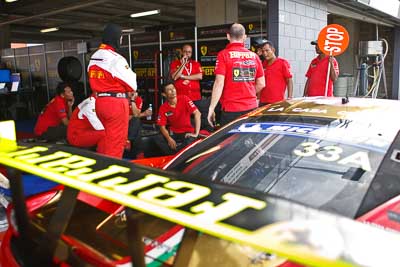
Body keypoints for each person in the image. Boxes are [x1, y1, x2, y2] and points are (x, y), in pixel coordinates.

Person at [88, 23, 137, 158]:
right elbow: (132, 84)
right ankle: (111, 175)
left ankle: (100, 169)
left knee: (106, 139)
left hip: (100, 102)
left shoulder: (94, 57)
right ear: (116, 38)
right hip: (115, 104)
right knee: (116, 143)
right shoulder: (116, 59)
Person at [207, 23, 265, 127]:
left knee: (229, 142)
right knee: (249, 140)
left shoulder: (223, 55)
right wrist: (248, 94)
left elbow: (219, 83)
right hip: (251, 107)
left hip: (231, 109)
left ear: (228, 36)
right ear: (244, 37)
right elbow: (261, 84)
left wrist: (211, 108)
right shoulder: (254, 56)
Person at [155, 83, 201, 156]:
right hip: (174, 132)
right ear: (164, 94)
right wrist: (169, 138)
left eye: (173, 88)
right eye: (169, 90)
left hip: (187, 132)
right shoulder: (163, 108)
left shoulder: (184, 98)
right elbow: (161, 126)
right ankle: (176, 154)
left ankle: (175, 154)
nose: (173, 91)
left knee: (190, 141)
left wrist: (196, 133)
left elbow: (197, 113)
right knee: (157, 138)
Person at [259, 41, 293, 105]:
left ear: (273, 50)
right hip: (262, 101)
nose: (265, 53)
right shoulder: (263, 64)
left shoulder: (282, 63)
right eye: (263, 51)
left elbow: (289, 80)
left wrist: (289, 97)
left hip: (277, 102)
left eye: (267, 50)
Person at [126, 92, 152, 159]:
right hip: (121, 122)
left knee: (136, 122)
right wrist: (143, 114)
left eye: (134, 90)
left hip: (132, 124)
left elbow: (136, 115)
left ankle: (129, 141)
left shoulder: (138, 99)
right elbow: (124, 117)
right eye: (130, 90)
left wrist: (132, 100)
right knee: (137, 123)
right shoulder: (122, 99)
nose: (132, 92)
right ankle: (138, 153)